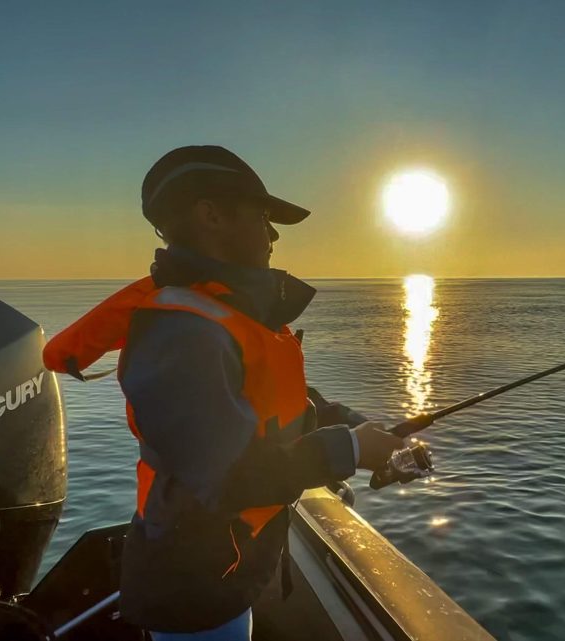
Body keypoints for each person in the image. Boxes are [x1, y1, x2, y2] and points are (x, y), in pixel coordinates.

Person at [62, 145, 405, 640]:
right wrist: (352, 450)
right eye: (263, 216)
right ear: (211, 215)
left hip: (225, 572)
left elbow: (274, 401)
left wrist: (346, 422)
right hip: (194, 594)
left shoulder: (222, 314)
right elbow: (223, 479)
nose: (272, 235)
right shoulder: (182, 331)